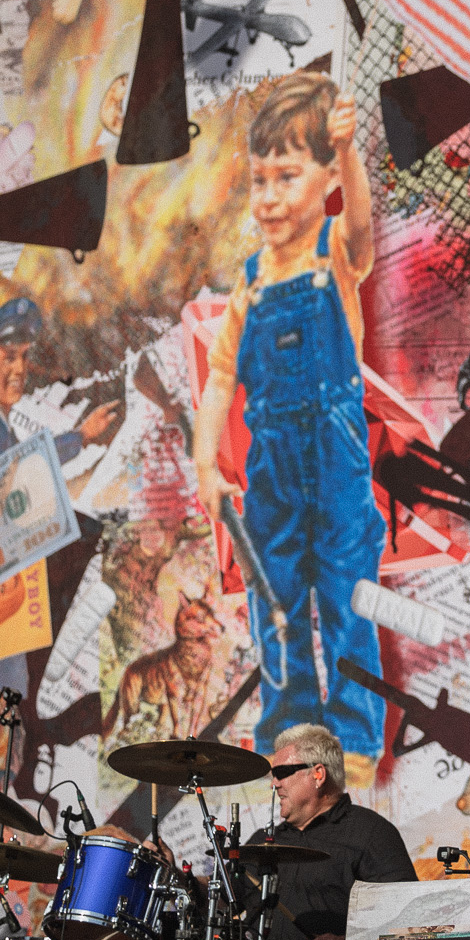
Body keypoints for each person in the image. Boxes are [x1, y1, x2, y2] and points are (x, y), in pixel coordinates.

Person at [194, 74, 387, 787]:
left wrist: (350, 151)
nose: (269, 197)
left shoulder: (335, 252)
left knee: (345, 591)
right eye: (260, 180)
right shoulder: (249, 284)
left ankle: (355, 733)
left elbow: (362, 227)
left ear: (327, 179)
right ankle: (289, 725)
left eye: (288, 176)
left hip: (335, 455)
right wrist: (206, 466)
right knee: (272, 596)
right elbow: (220, 379)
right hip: (271, 465)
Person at [0, 297, 122, 713]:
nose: (18, 369)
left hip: (11, 649)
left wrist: (82, 437)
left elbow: (29, 468)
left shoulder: (1, 439)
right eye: (8, 356)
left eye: (24, 357)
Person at [258, 725, 416, 940]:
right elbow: (227, 898)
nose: (275, 784)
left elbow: (411, 917)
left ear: (318, 774)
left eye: (282, 772)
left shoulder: (370, 834)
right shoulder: (266, 841)